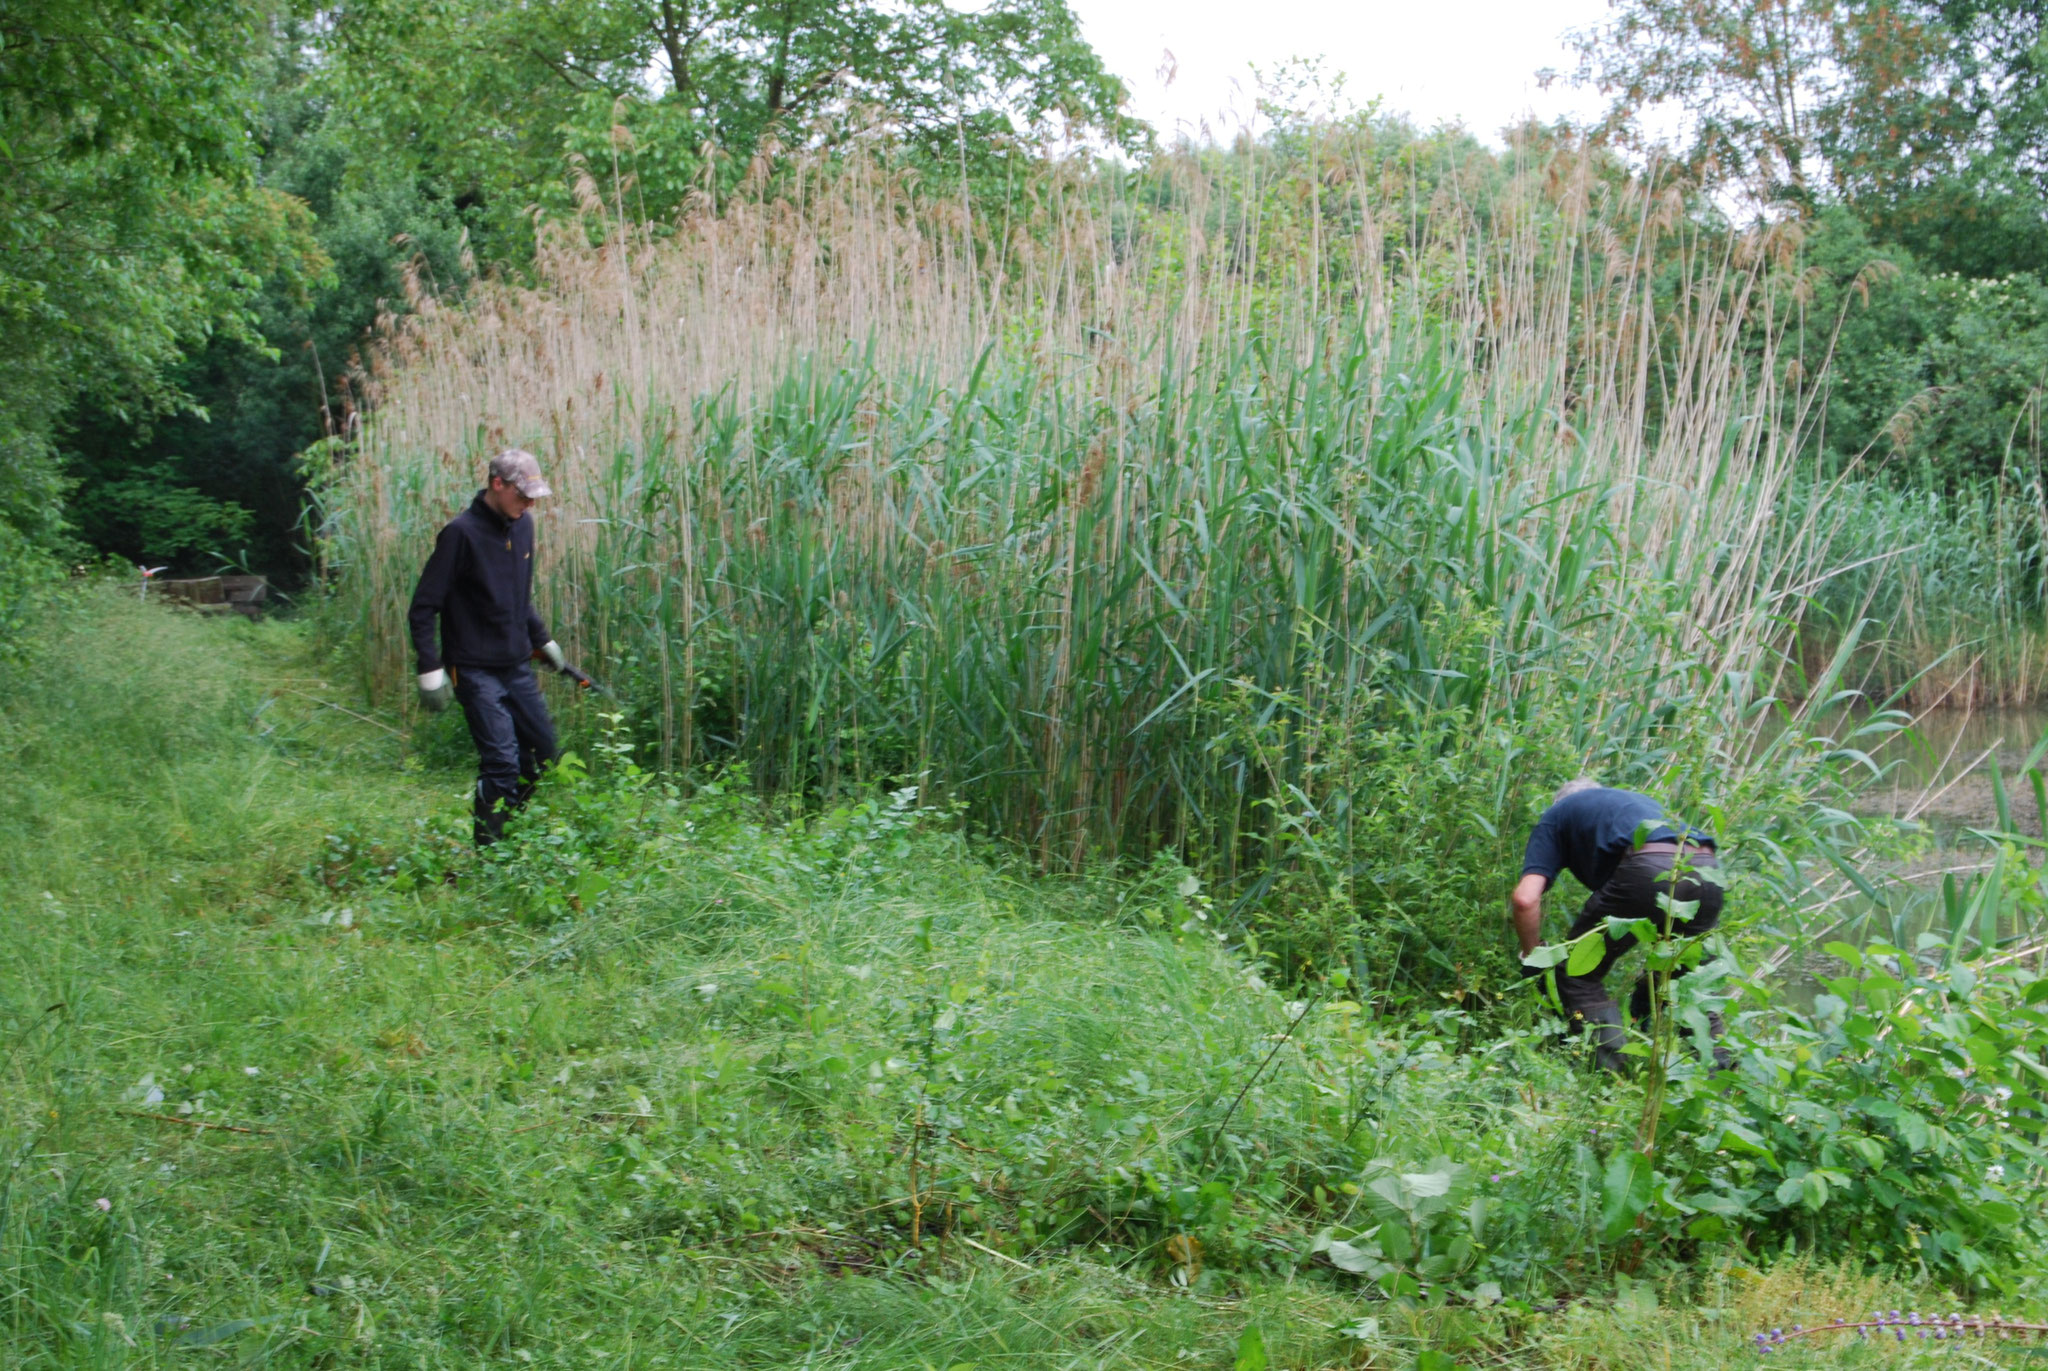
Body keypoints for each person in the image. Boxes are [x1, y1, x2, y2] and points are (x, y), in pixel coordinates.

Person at [407, 449, 592, 845]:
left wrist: (544, 641)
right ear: (497, 484)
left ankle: (506, 830)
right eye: (522, 495)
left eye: (533, 498)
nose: (528, 505)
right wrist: (429, 669)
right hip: (473, 669)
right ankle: (490, 856)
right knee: (502, 763)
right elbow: (423, 607)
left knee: (543, 755)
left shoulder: (522, 528)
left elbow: (518, 599)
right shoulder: (460, 534)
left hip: (516, 664)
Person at [1509, 779, 1732, 1073]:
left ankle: (1611, 1081)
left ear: (1559, 802)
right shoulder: (1633, 803)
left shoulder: (1558, 814)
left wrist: (1533, 959)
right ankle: (1722, 1086)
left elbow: (1525, 899)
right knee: (1691, 981)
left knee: (1577, 973)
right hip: (1706, 866)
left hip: (1649, 865)